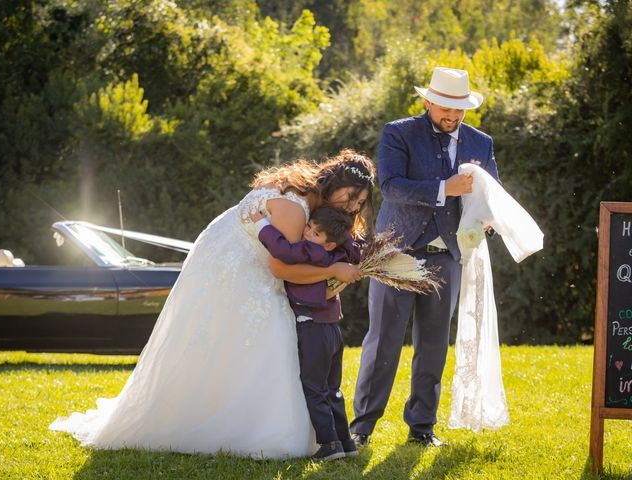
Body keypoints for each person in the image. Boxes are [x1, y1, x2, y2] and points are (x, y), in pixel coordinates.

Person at [50, 149, 375, 459]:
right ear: (333, 183)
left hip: (223, 253)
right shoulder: (295, 209)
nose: (352, 207)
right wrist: (332, 271)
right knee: (266, 333)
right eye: (350, 197)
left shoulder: (305, 196)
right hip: (239, 268)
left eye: (359, 203)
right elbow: (281, 267)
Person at [350, 67, 500, 448]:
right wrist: (444, 188)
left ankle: (421, 428)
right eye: (445, 109)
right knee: (383, 341)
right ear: (428, 101)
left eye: (459, 111)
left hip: (447, 255)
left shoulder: (481, 142)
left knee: (433, 345)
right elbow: (391, 186)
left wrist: (487, 220)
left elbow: (492, 194)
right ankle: (362, 427)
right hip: (394, 252)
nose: (452, 117)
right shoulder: (397, 132)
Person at [254, 206, 365, 461]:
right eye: (309, 227)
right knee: (332, 388)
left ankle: (329, 444)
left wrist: (262, 224)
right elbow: (354, 247)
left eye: (315, 233)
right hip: (332, 328)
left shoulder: (312, 251)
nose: (307, 233)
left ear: (328, 244)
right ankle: (346, 441)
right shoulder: (339, 251)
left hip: (312, 326)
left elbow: (283, 250)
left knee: (314, 388)